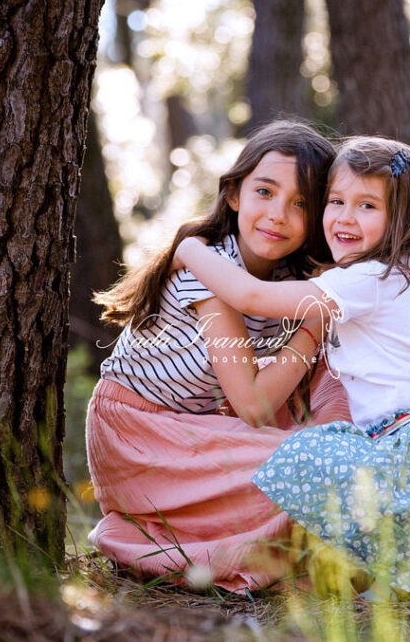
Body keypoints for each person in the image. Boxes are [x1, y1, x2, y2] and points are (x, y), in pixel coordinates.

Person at [173, 136, 410, 601]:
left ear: (402, 219)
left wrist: (191, 250)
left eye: (367, 205)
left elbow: (252, 297)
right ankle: (398, 583)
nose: (345, 218)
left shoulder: (371, 279)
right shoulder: (389, 277)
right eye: (336, 201)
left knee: (308, 454)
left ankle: (381, 580)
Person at [85, 119, 350, 595]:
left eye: (301, 204)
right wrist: (315, 320)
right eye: (265, 192)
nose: (278, 214)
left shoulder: (290, 274)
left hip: (194, 428)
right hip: (138, 437)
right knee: (307, 464)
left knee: (332, 451)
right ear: (233, 195)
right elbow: (251, 404)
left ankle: (322, 537)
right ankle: (239, 559)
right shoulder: (210, 269)